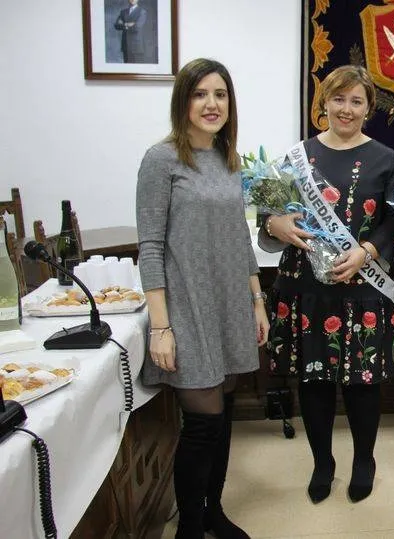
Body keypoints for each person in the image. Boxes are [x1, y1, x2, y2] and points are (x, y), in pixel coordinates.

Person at [259, 65, 394, 505]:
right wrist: (276, 223)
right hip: (306, 289)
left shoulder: (385, 158)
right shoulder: (296, 158)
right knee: (314, 382)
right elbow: (268, 220)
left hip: (363, 287)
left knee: (362, 383)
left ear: (369, 108)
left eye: (356, 101)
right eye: (338, 99)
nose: (346, 108)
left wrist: (366, 252)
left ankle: (364, 460)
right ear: (323, 103)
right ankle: (323, 463)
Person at [137, 58, 268, 539]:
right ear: (183, 101)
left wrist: (256, 301)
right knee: (203, 420)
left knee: (225, 413)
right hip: (187, 305)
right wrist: (160, 326)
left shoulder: (226, 157)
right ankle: (189, 524)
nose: (211, 104)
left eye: (220, 94)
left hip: (230, 300)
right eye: (200, 94)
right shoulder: (162, 159)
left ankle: (213, 510)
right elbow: (149, 245)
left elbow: (239, 235)